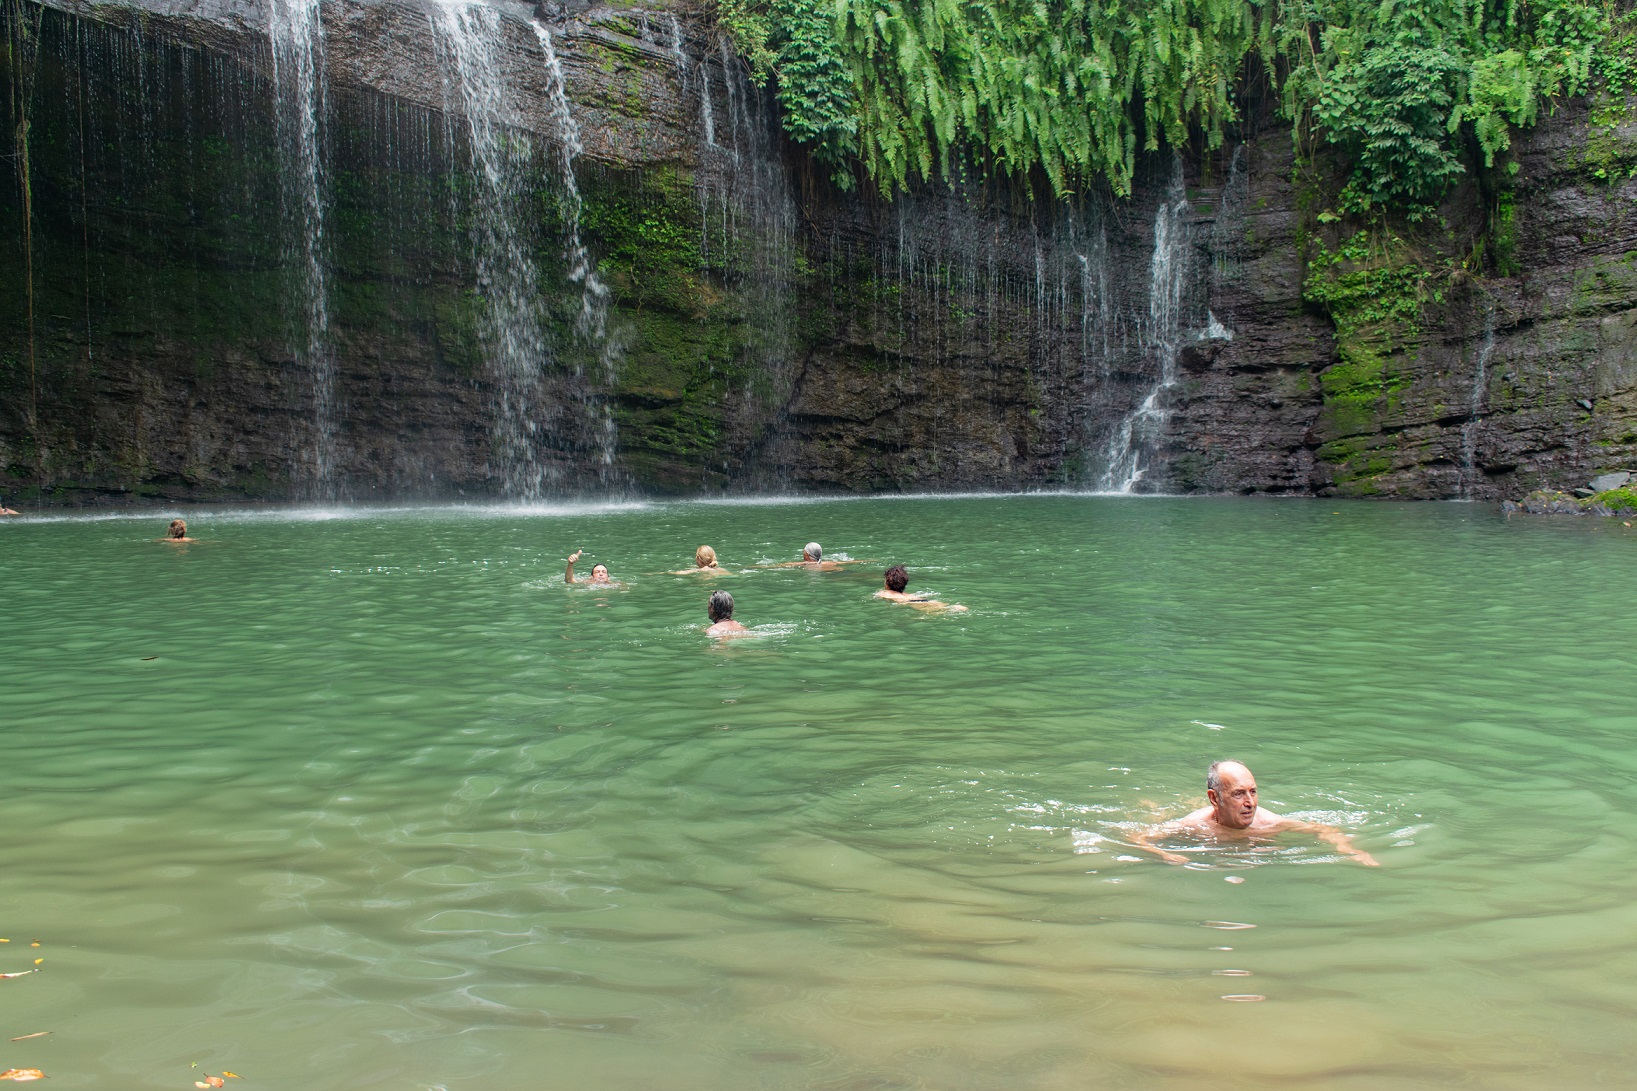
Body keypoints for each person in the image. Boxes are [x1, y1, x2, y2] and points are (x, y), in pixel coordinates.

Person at [1131, 760, 1379, 867]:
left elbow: (1322, 829)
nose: (1250, 803)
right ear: (1214, 799)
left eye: (1253, 792)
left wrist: (1349, 849)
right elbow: (1137, 838)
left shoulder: (1269, 822)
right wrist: (1163, 854)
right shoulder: (1195, 824)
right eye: (1239, 794)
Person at [874, 564, 967, 612]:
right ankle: (951, 607)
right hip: (914, 599)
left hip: (906, 602)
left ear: (887, 582)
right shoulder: (905, 594)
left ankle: (950, 608)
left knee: (931, 610)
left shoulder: (884, 593)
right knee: (931, 603)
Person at [767, 542, 861, 571]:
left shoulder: (804, 564)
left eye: (804, 551)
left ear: (807, 554)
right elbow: (852, 562)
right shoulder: (831, 562)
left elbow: (777, 566)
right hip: (839, 571)